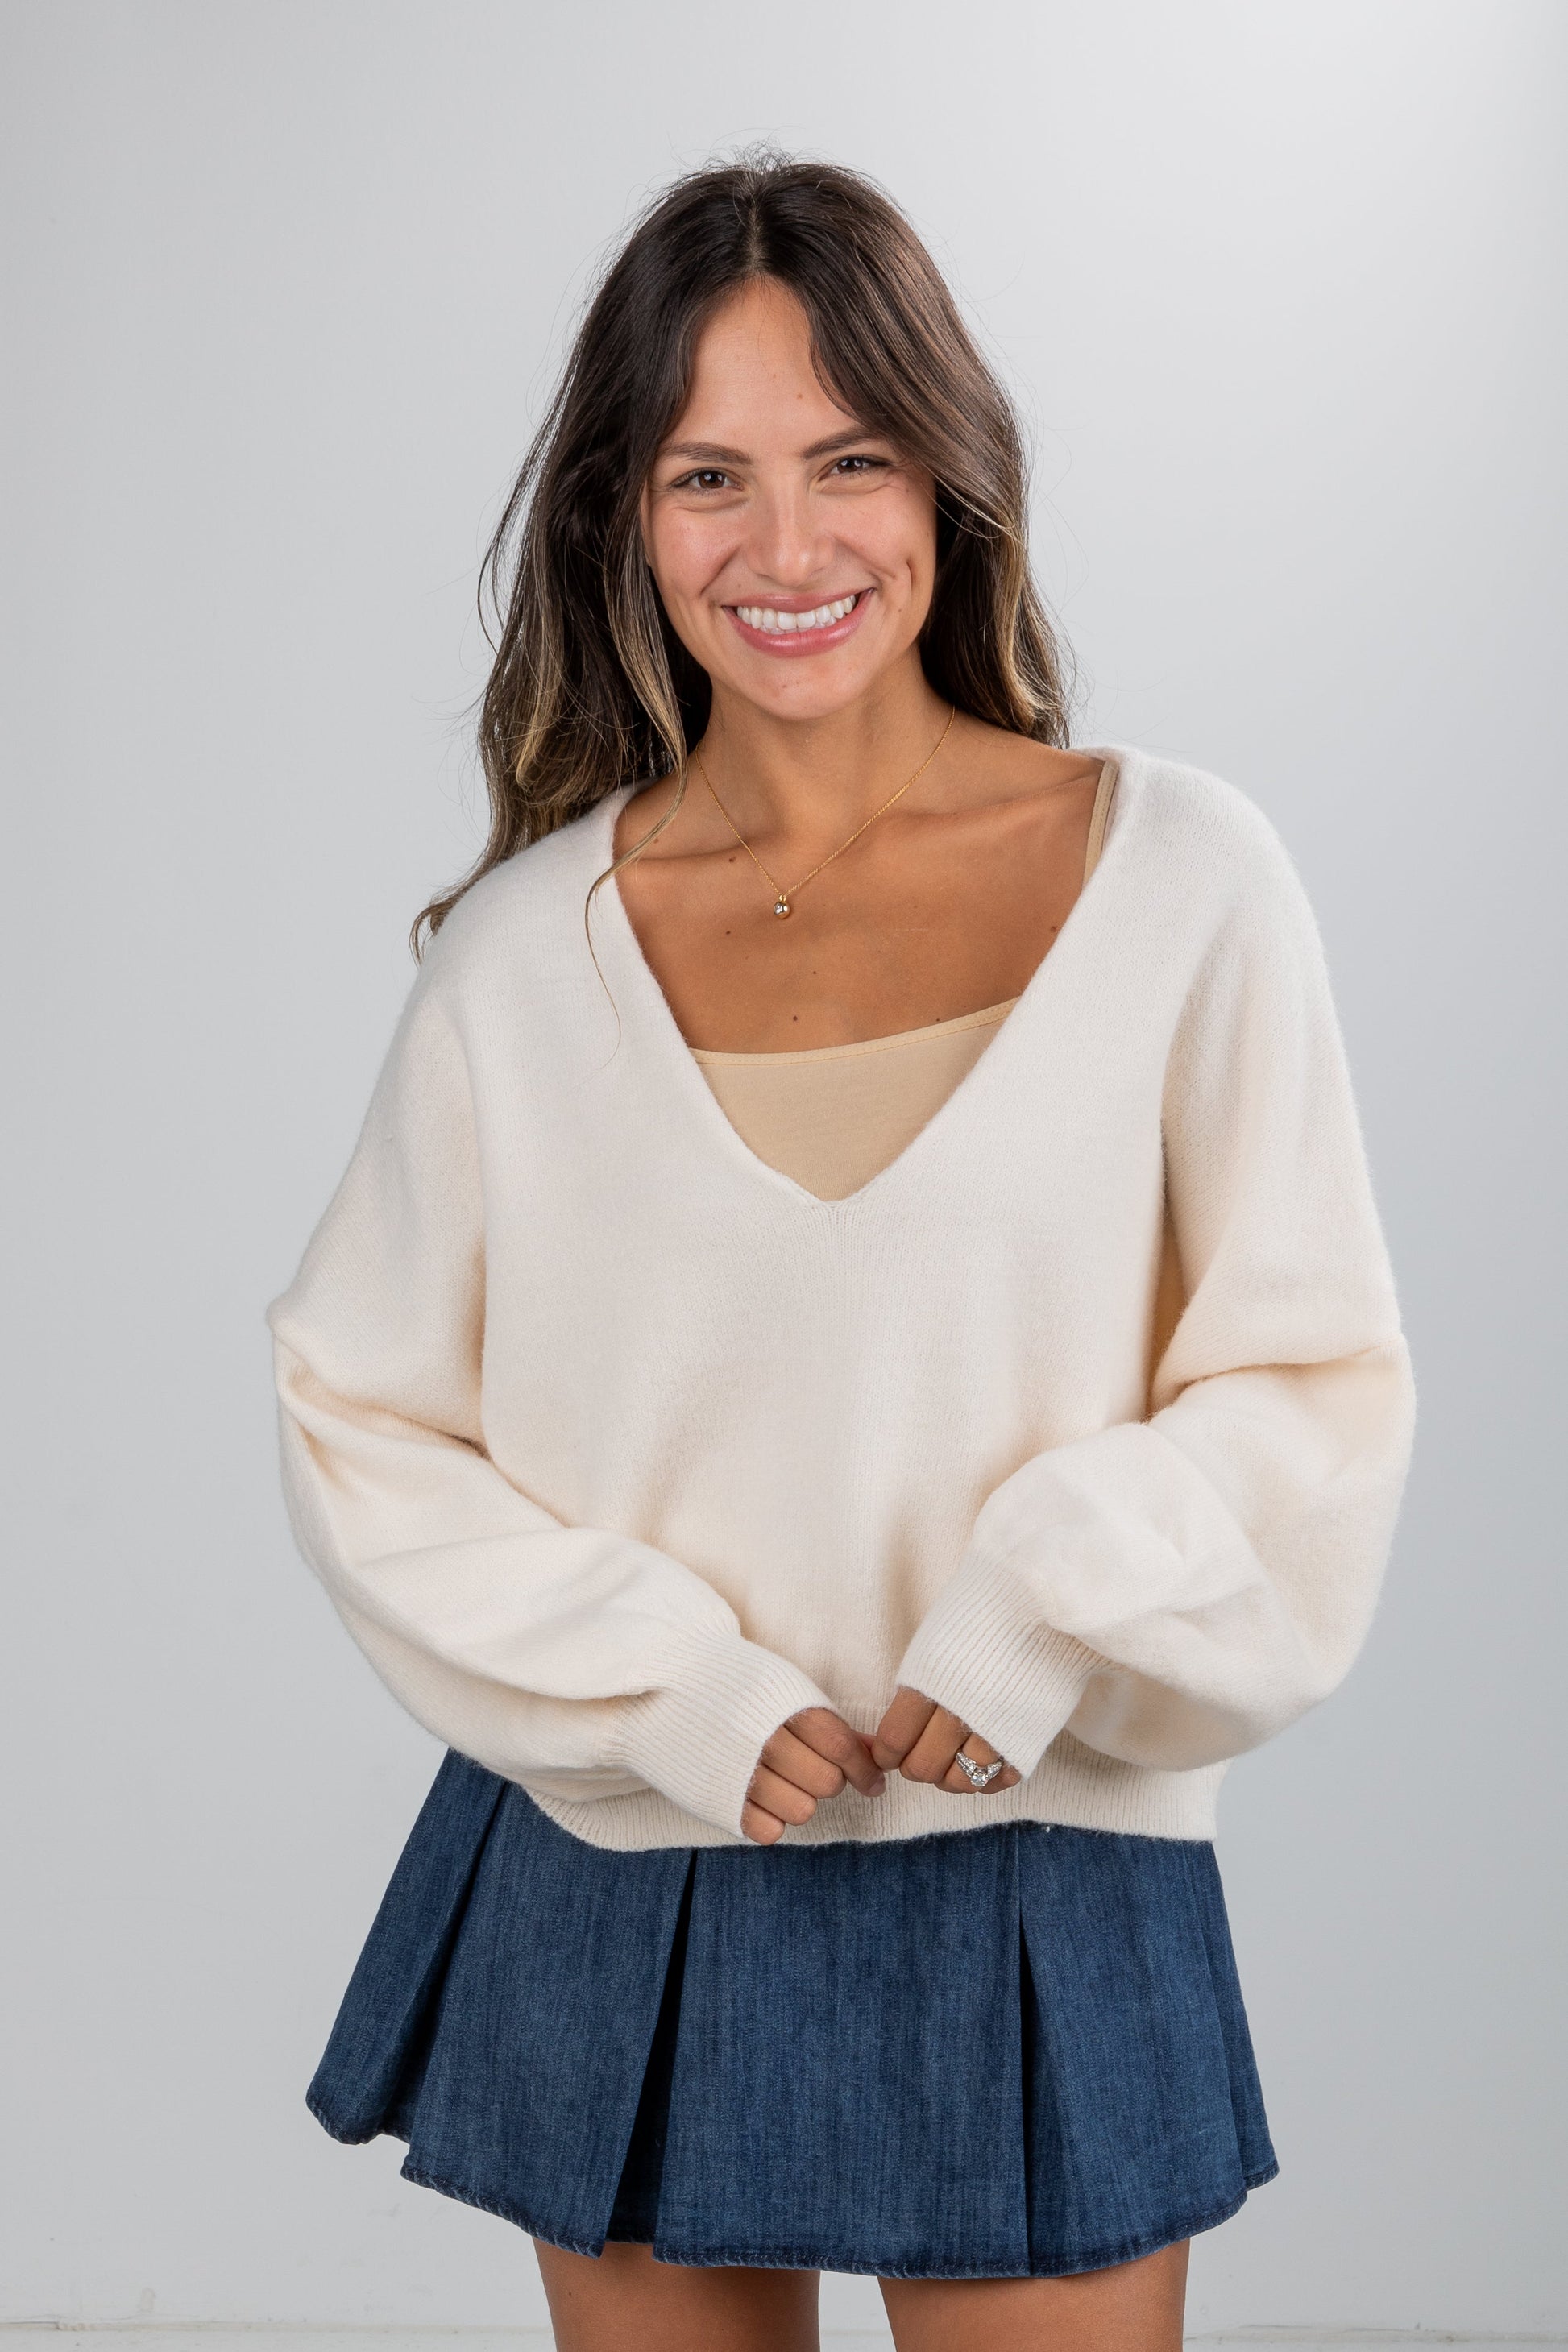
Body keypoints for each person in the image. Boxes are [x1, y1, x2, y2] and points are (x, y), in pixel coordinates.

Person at [267, 155, 1416, 2352]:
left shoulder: (1180, 878)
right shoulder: (524, 959)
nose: (785, 548)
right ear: (623, 515)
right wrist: (666, 1689)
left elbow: (1309, 1378)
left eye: (849, 461)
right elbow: (360, 1411)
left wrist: (1046, 1607)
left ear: (949, 476)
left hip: (1044, 1857)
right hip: (626, 1861)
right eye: (709, 476)